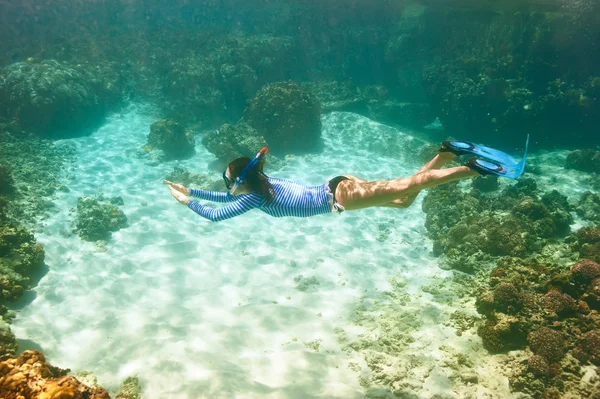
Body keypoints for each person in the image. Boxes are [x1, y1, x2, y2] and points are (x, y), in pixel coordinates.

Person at [166, 137, 528, 222]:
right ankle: (447, 152)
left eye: (228, 178)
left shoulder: (254, 197)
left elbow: (216, 213)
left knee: (409, 186)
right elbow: (228, 198)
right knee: (404, 199)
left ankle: (474, 167)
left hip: (342, 197)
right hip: (339, 186)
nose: (227, 184)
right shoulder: (261, 185)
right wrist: (192, 188)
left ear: (240, 180)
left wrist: (187, 202)